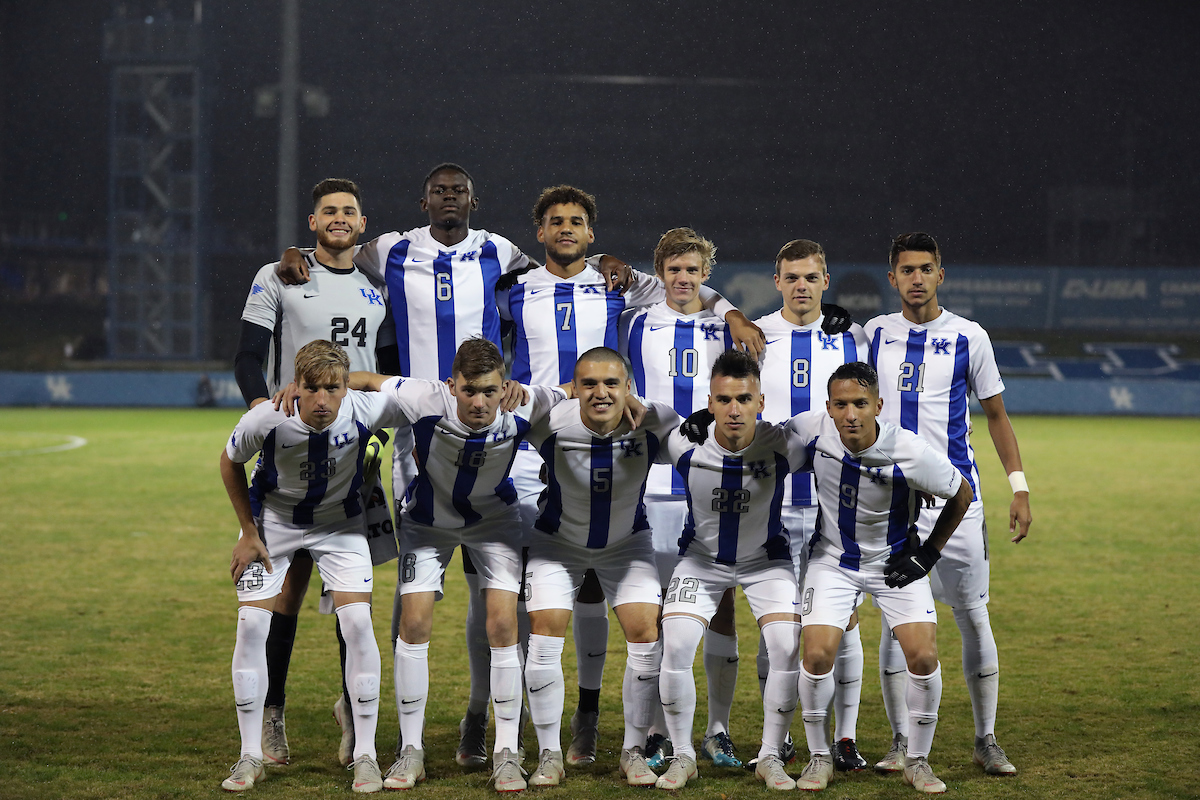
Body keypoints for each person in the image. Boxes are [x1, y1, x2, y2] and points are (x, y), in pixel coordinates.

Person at [277, 165, 631, 768]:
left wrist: (619, 268)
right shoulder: (389, 249)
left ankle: (491, 725)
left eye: (459, 191)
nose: (449, 199)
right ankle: (388, 720)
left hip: (509, 444)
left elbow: (609, 277)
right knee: (416, 597)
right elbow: (337, 251)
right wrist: (298, 254)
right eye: (439, 191)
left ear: (473, 200)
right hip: (420, 437)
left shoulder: (502, 252)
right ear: (423, 200)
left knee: (501, 600)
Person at [498, 189, 764, 766]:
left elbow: (708, 301)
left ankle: (700, 731)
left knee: (703, 607)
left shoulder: (717, 324)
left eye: (693, 269)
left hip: (697, 475)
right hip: (594, 459)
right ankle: (563, 723)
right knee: (555, 596)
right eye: (674, 269)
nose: (683, 277)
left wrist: (734, 310)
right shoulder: (631, 314)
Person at [346, 337, 565, 794]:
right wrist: (306, 387)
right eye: (469, 391)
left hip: (495, 523)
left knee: (504, 625)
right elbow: (366, 379)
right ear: (452, 385)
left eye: (490, 391)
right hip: (429, 523)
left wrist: (632, 402)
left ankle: (506, 750)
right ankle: (412, 751)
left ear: (504, 386)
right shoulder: (425, 396)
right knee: (414, 621)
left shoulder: (523, 402)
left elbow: (580, 390)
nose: (480, 402)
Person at [234, 178, 398, 766]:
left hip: (356, 456)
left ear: (362, 223)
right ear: (311, 222)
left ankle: (354, 718)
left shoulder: (379, 285)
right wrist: (263, 414)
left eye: (349, 211)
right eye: (329, 210)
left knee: (350, 600)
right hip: (290, 454)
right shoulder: (279, 275)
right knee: (287, 593)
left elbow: (390, 365)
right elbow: (247, 355)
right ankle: (271, 716)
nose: (339, 219)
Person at [865, 233, 1031, 777]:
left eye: (926, 268)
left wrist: (1020, 485)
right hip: (893, 503)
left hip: (959, 501)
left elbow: (997, 415)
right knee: (899, 624)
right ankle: (897, 741)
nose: (916, 278)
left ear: (941, 274)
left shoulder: (968, 336)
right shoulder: (873, 335)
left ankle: (986, 738)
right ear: (892, 279)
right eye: (906, 270)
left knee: (973, 616)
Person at [219, 340, 401, 793]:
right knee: (250, 626)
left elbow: (426, 396)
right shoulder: (267, 418)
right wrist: (247, 531)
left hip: (340, 527)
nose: (322, 401)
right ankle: (249, 755)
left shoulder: (363, 407)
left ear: (346, 387)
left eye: (333, 389)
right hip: (274, 527)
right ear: (294, 387)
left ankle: (366, 756)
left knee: (358, 622)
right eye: (312, 388)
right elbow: (229, 461)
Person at [786, 361, 974, 793]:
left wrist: (928, 553)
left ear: (878, 405)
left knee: (923, 658)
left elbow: (962, 491)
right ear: (829, 407)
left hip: (895, 563)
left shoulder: (907, 448)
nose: (850, 414)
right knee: (815, 657)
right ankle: (819, 757)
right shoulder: (813, 429)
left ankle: (918, 760)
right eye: (841, 405)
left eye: (860, 404)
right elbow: (763, 440)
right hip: (833, 562)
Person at [520, 347, 677, 787]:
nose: (600, 393)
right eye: (589, 383)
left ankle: (633, 749)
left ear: (629, 388)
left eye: (611, 383)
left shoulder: (653, 423)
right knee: (545, 631)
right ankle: (549, 751)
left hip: (626, 545)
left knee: (646, 632)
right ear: (575, 388)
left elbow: (700, 440)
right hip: (558, 544)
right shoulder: (549, 422)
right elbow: (498, 426)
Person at [654, 349, 809, 792]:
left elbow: (841, 447)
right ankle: (683, 754)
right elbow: (638, 429)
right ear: (709, 402)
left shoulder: (784, 444)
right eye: (723, 400)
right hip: (702, 562)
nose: (734, 409)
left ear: (761, 401)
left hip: (766, 563)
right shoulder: (684, 444)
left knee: (784, 646)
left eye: (744, 398)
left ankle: (770, 755)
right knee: (677, 643)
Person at [753, 239, 869, 771]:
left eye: (811, 277)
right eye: (791, 277)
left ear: (826, 282)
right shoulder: (756, 336)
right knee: (775, 624)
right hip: (769, 507)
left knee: (842, 620)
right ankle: (776, 736)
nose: (802, 285)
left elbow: (868, 420)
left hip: (835, 507)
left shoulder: (854, 338)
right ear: (776, 281)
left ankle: (844, 737)